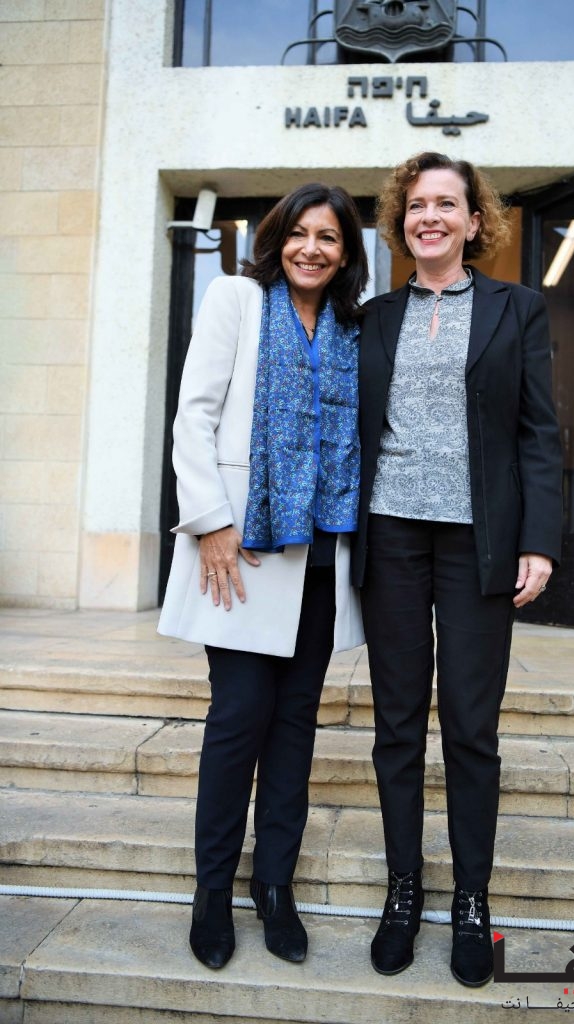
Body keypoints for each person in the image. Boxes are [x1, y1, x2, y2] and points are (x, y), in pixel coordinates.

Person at [351, 152, 562, 986]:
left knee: (472, 727)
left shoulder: (518, 308)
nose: (430, 216)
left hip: (481, 542)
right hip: (392, 536)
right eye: (417, 204)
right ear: (400, 220)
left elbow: (538, 432)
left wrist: (539, 540)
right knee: (398, 724)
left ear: (476, 222)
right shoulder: (372, 316)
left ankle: (471, 897)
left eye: (447, 204)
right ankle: (404, 889)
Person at [159, 183, 368, 970]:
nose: (312, 248)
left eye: (329, 237)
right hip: (243, 552)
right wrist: (211, 520)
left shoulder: (352, 325)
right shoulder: (236, 299)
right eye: (300, 233)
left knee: (294, 728)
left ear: (346, 254)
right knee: (239, 719)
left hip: (320, 557)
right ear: (278, 239)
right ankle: (212, 891)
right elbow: (194, 415)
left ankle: (273, 886)